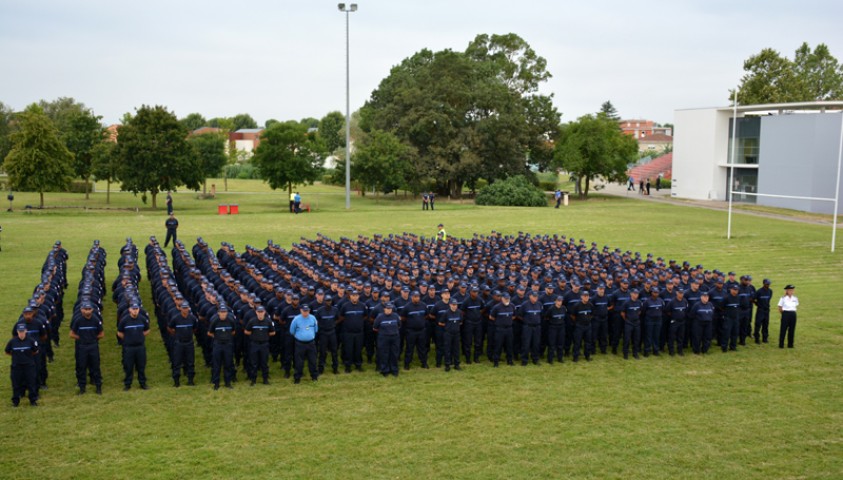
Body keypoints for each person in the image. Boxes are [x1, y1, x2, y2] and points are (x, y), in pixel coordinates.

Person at [70, 302, 104, 394]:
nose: (87, 311)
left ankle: (98, 386)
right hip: (82, 347)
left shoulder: (96, 320)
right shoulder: (78, 320)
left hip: (93, 346)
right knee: (81, 367)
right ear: (81, 310)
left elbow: (101, 333)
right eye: (85, 309)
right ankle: (82, 387)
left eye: (89, 309)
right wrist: (81, 338)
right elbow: (72, 334)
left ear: (92, 310)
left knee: (96, 366)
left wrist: (93, 338)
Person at [116, 303, 150, 391]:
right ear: (129, 310)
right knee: (128, 366)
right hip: (129, 347)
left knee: (141, 366)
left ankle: (142, 383)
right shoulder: (124, 320)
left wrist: (139, 336)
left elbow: (147, 330)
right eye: (133, 309)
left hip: (140, 347)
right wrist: (128, 338)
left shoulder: (142, 319)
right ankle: (127, 384)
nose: (135, 311)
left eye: (136, 309)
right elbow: (119, 333)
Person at [6, 323, 39, 406]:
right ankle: (15, 401)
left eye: (23, 331)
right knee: (16, 384)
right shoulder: (12, 341)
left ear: (26, 331)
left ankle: (33, 400)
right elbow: (7, 351)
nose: (21, 333)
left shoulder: (31, 340)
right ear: (17, 332)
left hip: (29, 366)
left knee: (31, 383)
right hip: (16, 366)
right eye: (20, 331)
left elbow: (35, 351)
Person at [167, 301, 197, 387]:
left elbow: (195, 328)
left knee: (190, 362)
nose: (185, 310)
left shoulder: (192, 318)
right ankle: (176, 381)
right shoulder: (176, 318)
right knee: (177, 362)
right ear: (180, 309)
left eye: (186, 308)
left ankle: (190, 380)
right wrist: (176, 334)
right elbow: (170, 328)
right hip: (179, 343)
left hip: (189, 343)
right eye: (183, 308)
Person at [245, 305, 276, 385]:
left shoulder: (268, 321)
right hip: (254, 344)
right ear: (256, 312)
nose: (260, 314)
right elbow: (246, 331)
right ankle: (253, 380)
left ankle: (265, 379)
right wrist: (255, 335)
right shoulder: (252, 321)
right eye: (259, 312)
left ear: (264, 312)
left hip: (264, 344)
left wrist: (265, 335)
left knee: (264, 363)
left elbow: (273, 332)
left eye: (261, 312)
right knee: (254, 363)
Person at [208, 304, 236, 390]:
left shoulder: (231, 320)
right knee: (217, 364)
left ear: (227, 313)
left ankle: (228, 382)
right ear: (218, 313)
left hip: (228, 344)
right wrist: (218, 338)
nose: (223, 314)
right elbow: (209, 333)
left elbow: (233, 331)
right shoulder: (215, 321)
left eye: (224, 312)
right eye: (221, 312)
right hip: (218, 345)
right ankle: (216, 383)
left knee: (228, 363)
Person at [289, 304, 318, 383]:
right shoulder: (296, 319)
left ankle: (314, 377)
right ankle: (297, 378)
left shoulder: (313, 318)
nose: (306, 312)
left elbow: (316, 329)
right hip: (300, 344)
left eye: (307, 311)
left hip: (311, 343)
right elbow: (292, 331)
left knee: (313, 360)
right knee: (299, 362)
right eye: (304, 311)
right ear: (301, 310)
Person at [373, 302, 400, 376]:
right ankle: (385, 370)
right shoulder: (380, 317)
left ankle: (394, 370)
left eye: (390, 309)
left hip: (394, 337)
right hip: (383, 338)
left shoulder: (395, 316)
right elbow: (375, 328)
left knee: (394, 354)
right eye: (387, 309)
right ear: (384, 309)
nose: (389, 310)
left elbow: (399, 325)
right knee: (384, 354)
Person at [316, 296, 340, 374]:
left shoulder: (335, 310)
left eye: (329, 301)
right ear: (324, 301)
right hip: (323, 333)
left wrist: (334, 324)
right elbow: (316, 320)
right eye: (327, 301)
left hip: (332, 332)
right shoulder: (320, 310)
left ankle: (335, 368)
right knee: (322, 351)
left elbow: (339, 318)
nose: (328, 302)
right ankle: (321, 368)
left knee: (334, 351)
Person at [571, 290, 594, 362]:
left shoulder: (590, 305)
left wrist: (587, 320)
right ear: (581, 297)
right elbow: (572, 316)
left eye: (587, 296)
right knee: (577, 342)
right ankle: (575, 357)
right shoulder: (577, 305)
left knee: (588, 342)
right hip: (579, 326)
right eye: (584, 296)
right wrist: (578, 322)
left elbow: (592, 314)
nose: (586, 297)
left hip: (588, 326)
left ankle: (587, 356)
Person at [777, 284, 798, 349]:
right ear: (787, 291)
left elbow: (796, 305)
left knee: (792, 329)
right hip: (785, 313)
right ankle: (781, 344)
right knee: (783, 329)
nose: (791, 292)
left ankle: (790, 344)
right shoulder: (783, 298)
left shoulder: (795, 298)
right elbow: (780, 307)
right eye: (790, 290)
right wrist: (783, 314)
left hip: (793, 314)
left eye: (792, 290)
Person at [753, 279, 773, 344]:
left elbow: (769, 299)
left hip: (767, 310)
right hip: (760, 310)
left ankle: (765, 338)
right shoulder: (759, 291)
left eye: (769, 284)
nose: (768, 285)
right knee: (758, 324)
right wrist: (757, 303)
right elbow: (752, 299)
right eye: (767, 284)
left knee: (766, 324)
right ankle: (757, 338)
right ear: (763, 283)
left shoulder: (770, 291)